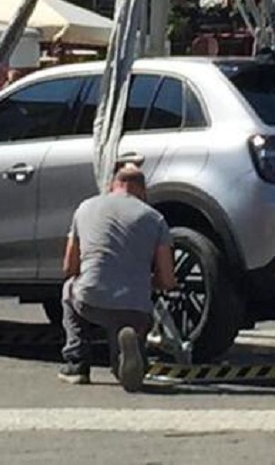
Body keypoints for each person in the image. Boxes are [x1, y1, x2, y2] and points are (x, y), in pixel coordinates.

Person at [58, 164, 175, 392]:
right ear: (142, 190)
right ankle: (128, 357)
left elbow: (68, 267)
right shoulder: (155, 218)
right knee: (129, 319)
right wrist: (147, 282)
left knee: (69, 288)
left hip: (93, 301)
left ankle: (77, 364)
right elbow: (168, 280)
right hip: (136, 307)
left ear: (113, 184)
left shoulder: (85, 207)